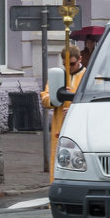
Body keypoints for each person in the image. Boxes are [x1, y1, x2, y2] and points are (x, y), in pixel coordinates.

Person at [41, 46, 85, 180]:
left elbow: (96, 101)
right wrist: (56, 96)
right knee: (59, 162)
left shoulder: (88, 76)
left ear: (80, 59)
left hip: (81, 128)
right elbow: (45, 98)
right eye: (65, 65)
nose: (69, 68)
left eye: (72, 64)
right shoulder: (59, 76)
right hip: (60, 126)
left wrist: (74, 109)